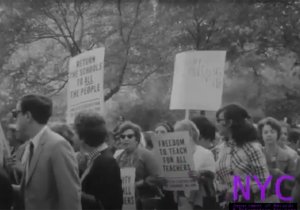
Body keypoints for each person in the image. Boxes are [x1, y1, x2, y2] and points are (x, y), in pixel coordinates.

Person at [12, 94, 81, 210]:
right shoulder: (32, 145)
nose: (14, 118)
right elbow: (30, 192)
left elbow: (70, 197)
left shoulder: (57, 145)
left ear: (28, 116)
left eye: (16, 113)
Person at [215, 104, 269, 206]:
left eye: (219, 120)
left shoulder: (252, 148)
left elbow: (265, 182)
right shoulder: (220, 148)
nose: (216, 124)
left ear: (230, 122)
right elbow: (219, 179)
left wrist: (241, 187)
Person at [74, 111, 123, 210]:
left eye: (74, 132)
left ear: (83, 136)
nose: (73, 136)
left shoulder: (106, 162)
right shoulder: (95, 157)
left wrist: (74, 193)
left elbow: (108, 203)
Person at [115, 121, 162, 210]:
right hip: (126, 203)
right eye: (122, 136)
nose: (125, 139)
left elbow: (158, 177)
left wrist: (139, 183)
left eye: (129, 136)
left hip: (145, 202)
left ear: (137, 139)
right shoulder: (118, 158)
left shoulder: (146, 154)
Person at [174, 119, 216, 210]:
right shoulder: (175, 155)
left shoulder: (205, 153)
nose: (176, 137)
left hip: (200, 201)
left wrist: (200, 175)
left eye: (179, 134)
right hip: (182, 200)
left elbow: (213, 180)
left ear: (190, 134)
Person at [257, 117, 297, 202]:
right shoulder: (257, 155)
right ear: (261, 135)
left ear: (278, 134)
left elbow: (294, 182)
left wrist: (280, 174)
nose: (269, 135)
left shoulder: (288, 156)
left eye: (272, 132)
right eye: (265, 132)